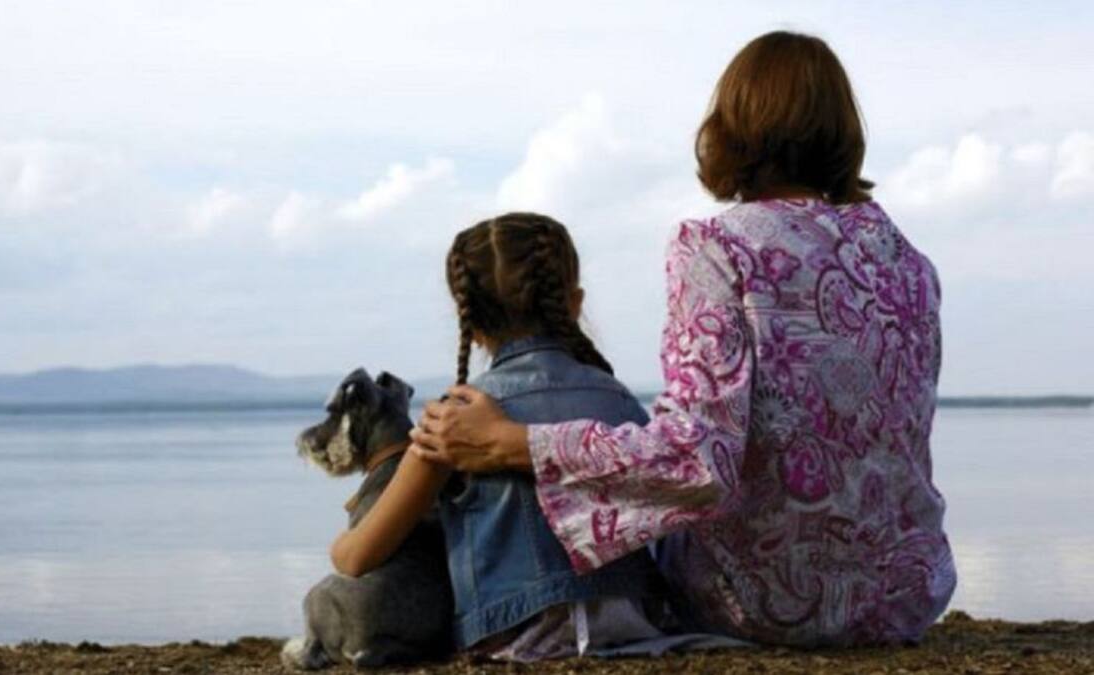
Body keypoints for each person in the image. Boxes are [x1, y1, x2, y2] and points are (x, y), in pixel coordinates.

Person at [409, 31, 957, 646]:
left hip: (770, 601)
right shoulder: (909, 262)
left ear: (732, 128)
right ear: (843, 132)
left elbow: (699, 461)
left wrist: (517, 443)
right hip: (907, 593)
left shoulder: (719, 246)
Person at [329, 212, 671, 661]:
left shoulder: (454, 420)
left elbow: (359, 557)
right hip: (634, 620)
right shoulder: (618, 397)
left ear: (468, 323)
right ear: (573, 303)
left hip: (510, 630)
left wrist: (339, 544)